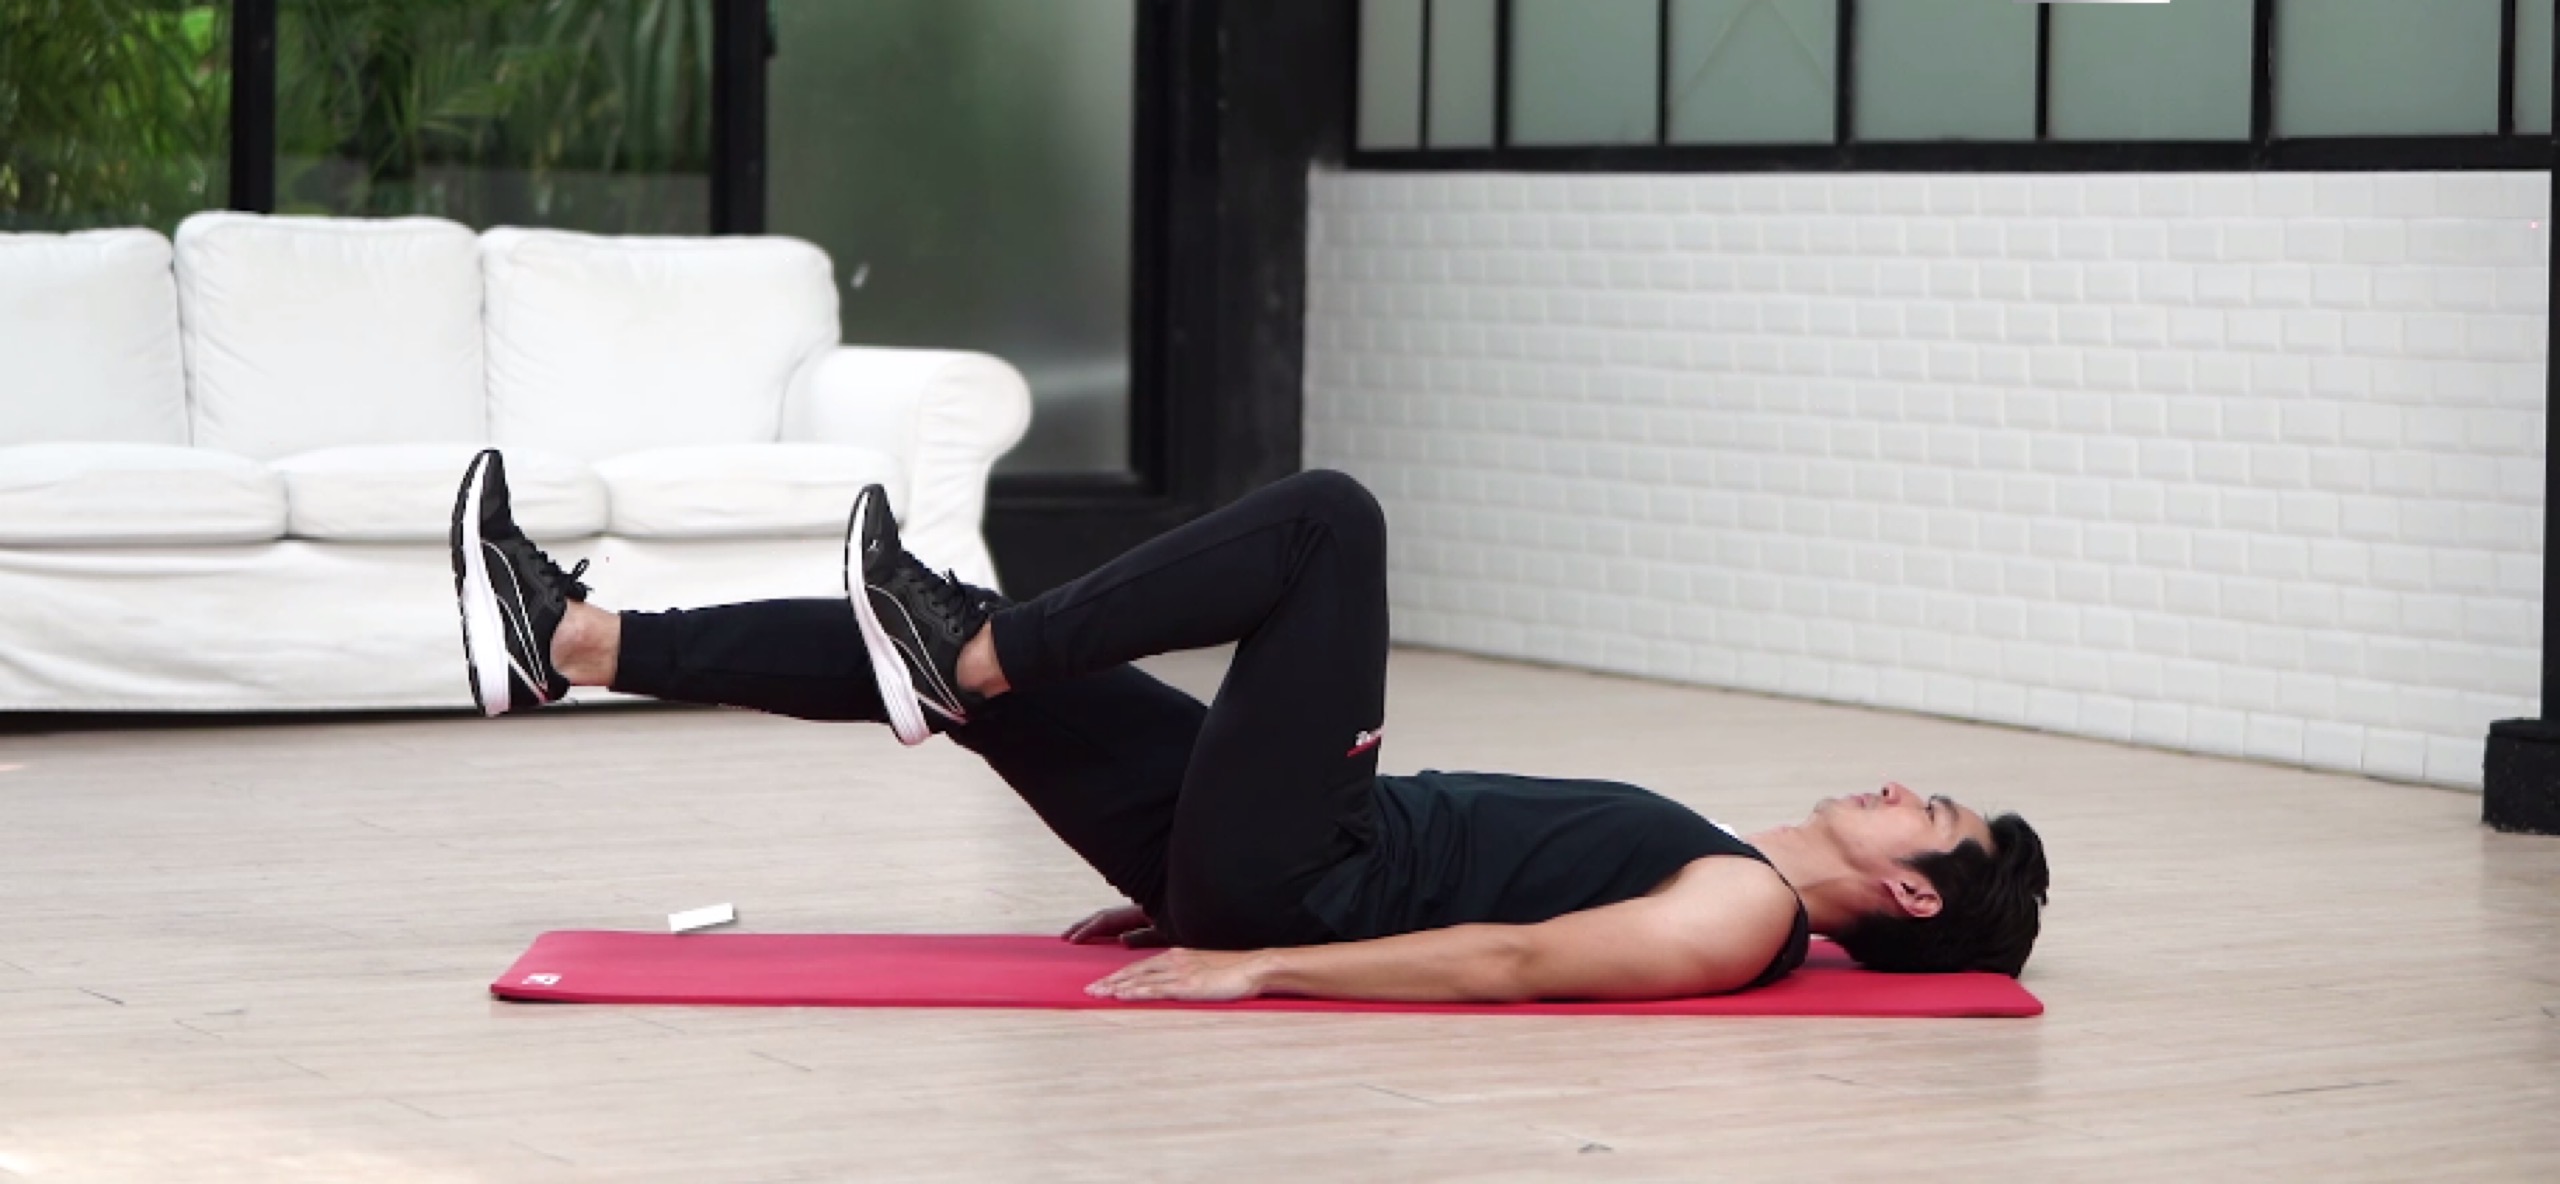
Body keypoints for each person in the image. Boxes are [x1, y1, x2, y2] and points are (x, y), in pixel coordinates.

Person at [451, 453, 2048, 1003]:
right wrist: (1194, 887)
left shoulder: (1745, 915)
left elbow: (1510, 963)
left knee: (1329, 524)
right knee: (964, 677)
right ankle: (569, 642)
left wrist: (1260, 960)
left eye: (1932, 814)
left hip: (1306, 881)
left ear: (1913, 892)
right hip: (1272, 854)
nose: (1902, 788)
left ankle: (978, 651)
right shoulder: (1729, 860)